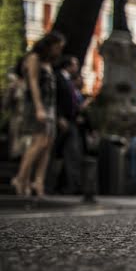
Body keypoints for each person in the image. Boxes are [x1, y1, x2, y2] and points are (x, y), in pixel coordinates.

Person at [11, 31, 66, 197]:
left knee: (47, 144)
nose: (59, 51)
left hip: (49, 107)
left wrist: (53, 113)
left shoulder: (48, 63)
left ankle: (38, 182)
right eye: (58, 47)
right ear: (49, 45)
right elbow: (33, 84)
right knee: (39, 141)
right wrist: (39, 107)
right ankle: (21, 178)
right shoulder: (34, 58)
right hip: (35, 105)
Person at [53, 55, 84, 194]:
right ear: (68, 65)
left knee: (72, 153)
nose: (76, 67)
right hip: (62, 120)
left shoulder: (67, 81)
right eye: (75, 64)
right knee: (57, 152)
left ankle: (71, 186)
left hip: (71, 121)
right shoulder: (59, 77)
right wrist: (59, 116)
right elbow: (55, 98)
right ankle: (53, 184)